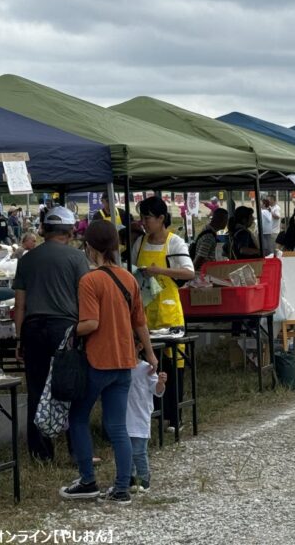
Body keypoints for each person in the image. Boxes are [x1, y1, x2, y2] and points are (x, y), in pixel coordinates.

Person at [60, 221, 157, 504]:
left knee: (77, 418)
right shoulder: (128, 277)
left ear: (89, 247)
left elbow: (90, 323)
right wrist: (149, 354)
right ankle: (121, 489)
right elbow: (139, 321)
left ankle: (88, 480)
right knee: (117, 427)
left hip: (97, 361)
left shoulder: (89, 281)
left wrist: (69, 329)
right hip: (125, 361)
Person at [14, 206, 90, 461]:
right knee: (70, 386)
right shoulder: (77, 258)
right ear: (69, 231)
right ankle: (75, 448)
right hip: (66, 327)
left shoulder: (27, 259)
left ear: (44, 230)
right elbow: (85, 298)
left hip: (33, 328)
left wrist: (19, 337)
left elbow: (20, 305)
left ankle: (40, 452)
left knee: (36, 388)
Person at [132, 196, 195, 433]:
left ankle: (174, 415)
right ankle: (152, 413)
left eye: (147, 217)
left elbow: (189, 273)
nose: (144, 222)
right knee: (148, 365)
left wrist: (160, 271)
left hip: (168, 312)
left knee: (172, 364)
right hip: (145, 311)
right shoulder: (140, 243)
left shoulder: (175, 242)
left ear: (161, 219)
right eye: (142, 217)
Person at [128, 353, 167, 494]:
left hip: (140, 417)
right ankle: (129, 477)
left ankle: (144, 478)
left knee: (138, 451)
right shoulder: (120, 367)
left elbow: (157, 391)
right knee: (126, 451)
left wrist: (161, 383)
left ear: (138, 347)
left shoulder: (147, 368)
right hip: (124, 417)